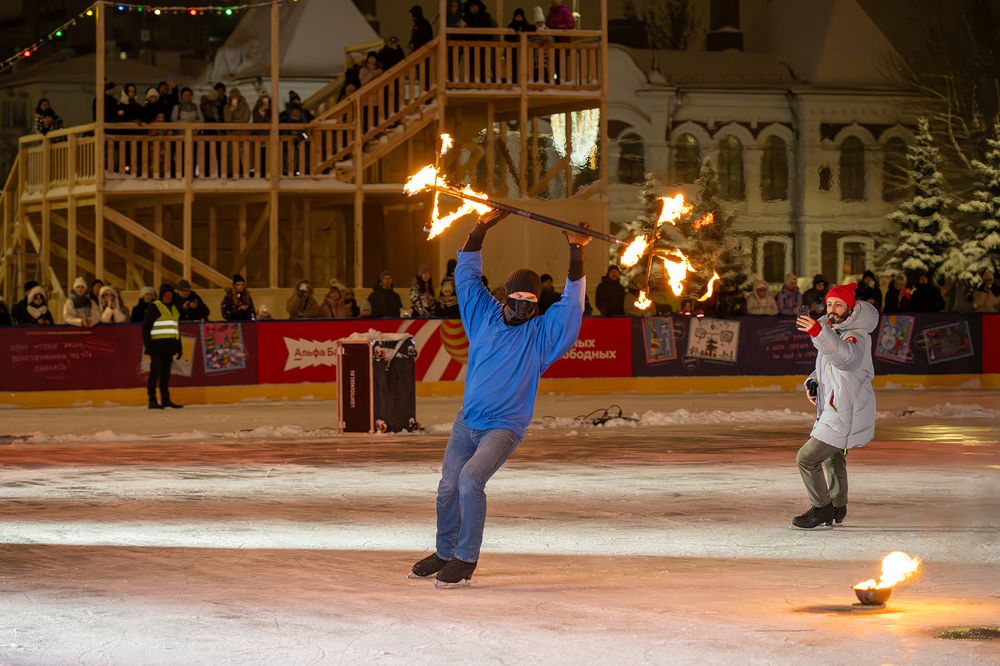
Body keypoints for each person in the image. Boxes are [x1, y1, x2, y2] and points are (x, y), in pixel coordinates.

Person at [408, 209, 591, 587]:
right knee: (447, 487)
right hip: (467, 421)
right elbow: (466, 276)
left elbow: (571, 305)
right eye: (517, 296)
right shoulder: (484, 318)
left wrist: (576, 252)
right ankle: (444, 550)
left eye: (530, 298)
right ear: (505, 295)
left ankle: (465, 558)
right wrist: (480, 228)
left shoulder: (541, 335)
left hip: (504, 427)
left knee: (471, 479)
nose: (523, 303)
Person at [792, 283, 878, 529]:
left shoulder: (856, 336)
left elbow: (846, 359)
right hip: (836, 407)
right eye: (829, 304)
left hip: (844, 412)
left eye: (838, 304)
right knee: (833, 458)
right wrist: (813, 383)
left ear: (851, 307)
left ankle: (821, 509)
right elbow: (827, 367)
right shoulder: (836, 331)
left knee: (806, 459)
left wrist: (819, 331)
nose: (832, 309)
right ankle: (838, 508)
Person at [142, 283, 183, 409]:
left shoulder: (174, 309)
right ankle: (152, 400)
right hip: (157, 348)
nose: (168, 297)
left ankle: (166, 399)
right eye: (165, 295)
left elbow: (175, 329)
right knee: (155, 375)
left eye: (170, 295)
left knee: (165, 376)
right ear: (161, 295)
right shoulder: (154, 307)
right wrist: (149, 347)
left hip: (169, 348)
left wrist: (179, 347)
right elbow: (146, 328)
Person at [545, 0, 575, 83]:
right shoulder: (551, 12)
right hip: (553, 43)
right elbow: (547, 24)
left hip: (562, 43)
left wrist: (559, 27)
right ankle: (555, 81)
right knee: (554, 63)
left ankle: (562, 82)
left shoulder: (564, 11)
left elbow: (571, 24)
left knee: (561, 65)